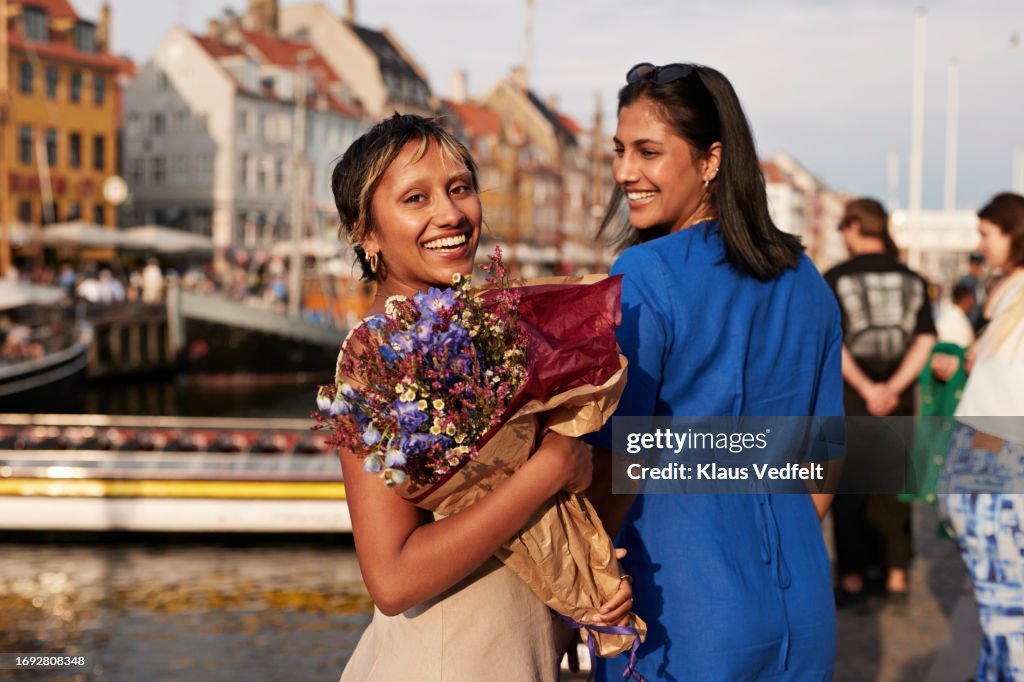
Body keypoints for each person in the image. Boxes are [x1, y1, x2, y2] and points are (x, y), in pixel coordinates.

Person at [329, 114, 632, 681]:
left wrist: (581, 579)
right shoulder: (376, 355)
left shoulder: (480, 331)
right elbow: (392, 580)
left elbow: (513, 520)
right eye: (415, 198)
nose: (450, 213)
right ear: (364, 232)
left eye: (460, 188)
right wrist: (551, 469)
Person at [587, 62, 841, 680]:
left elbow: (615, 463)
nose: (625, 172)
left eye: (649, 151)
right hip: (800, 596)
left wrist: (584, 578)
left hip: (680, 602)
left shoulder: (646, 277)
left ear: (711, 159)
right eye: (620, 151)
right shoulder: (805, 278)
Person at [823, 198, 936, 604]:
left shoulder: (834, 277)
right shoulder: (913, 278)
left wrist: (867, 389)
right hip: (898, 401)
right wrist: (892, 388)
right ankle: (896, 574)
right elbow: (925, 339)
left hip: (850, 399)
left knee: (848, 489)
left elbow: (832, 342)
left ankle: (851, 577)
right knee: (892, 487)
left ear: (854, 226)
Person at [939, 192, 1024, 681]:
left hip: (997, 457)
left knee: (1006, 610)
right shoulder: (1007, 293)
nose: (980, 243)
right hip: (986, 458)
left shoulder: (1013, 291)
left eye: (988, 233)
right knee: (1002, 610)